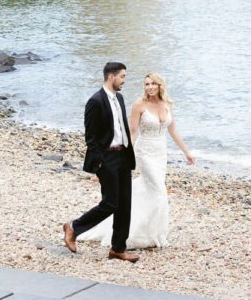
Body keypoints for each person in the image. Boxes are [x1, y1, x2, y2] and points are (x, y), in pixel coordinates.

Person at [78, 72, 195, 249]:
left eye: (153, 84)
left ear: (160, 85)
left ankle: (148, 232)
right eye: (147, 84)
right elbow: (131, 133)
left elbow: (173, 130)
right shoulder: (139, 105)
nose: (149, 87)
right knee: (160, 191)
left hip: (160, 153)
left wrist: (187, 152)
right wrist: (123, 157)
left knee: (148, 190)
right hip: (144, 152)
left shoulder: (167, 104)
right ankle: (143, 235)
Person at [62, 62, 139, 262]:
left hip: (123, 156)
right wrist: (100, 163)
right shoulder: (95, 101)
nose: (124, 80)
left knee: (125, 205)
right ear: (111, 76)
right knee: (110, 203)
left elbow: (120, 128)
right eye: (122, 76)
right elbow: (91, 138)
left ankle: (118, 248)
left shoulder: (119, 98)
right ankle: (74, 227)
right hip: (107, 158)